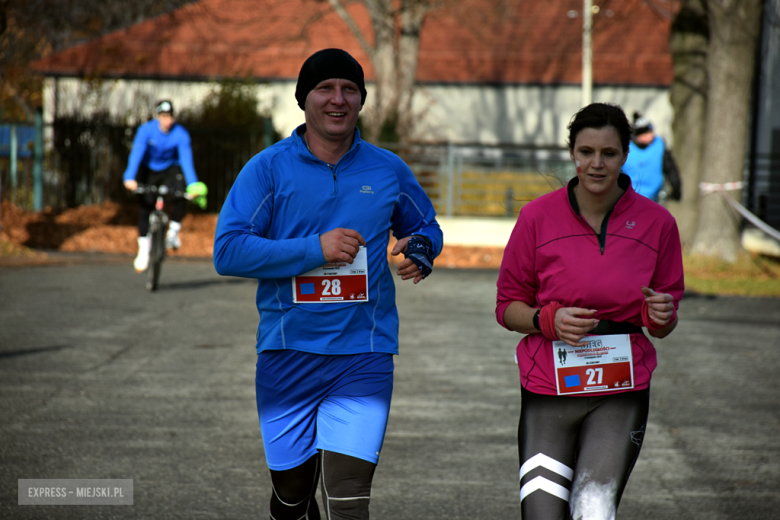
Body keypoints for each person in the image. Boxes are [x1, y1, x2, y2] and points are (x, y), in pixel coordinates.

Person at [212, 48, 443, 520]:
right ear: (304, 99)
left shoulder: (386, 169)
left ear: (360, 100)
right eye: (325, 88)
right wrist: (315, 248)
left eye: (349, 89)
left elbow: (426, 226)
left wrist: (421, 248)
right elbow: (228, 250)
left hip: (364, 354)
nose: (337, 99)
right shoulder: (268, 169)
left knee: (349, 500)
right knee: (293, 498)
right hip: (286, 353)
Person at [495, 103, 684, 520]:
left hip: (620, 388)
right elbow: (506, 307)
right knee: (542, 514)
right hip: (549, 386)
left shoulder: (658, 224)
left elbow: (663, 322)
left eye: (609, 153)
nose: (596, 164)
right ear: (572, 153)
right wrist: (547, 320)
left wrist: (662, 315)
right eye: (586, 152)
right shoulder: (536, 218)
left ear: (625, 154)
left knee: (593, 509)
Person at [123, 100, 207, 272]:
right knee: (145, 206)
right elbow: (137, 153)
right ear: (157, 117)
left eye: (170, 116)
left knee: (180, 193)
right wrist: (129, 177)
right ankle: (143, 250)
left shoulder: (181, 134)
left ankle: (173, 233)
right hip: (150, 168)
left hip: (170, 167)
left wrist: (192, 186)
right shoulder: (146, 130)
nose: (167, 120)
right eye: (163, 116)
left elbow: (186, 160)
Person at [621, 111, 682, 203]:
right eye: (647, 133)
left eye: (651, 131)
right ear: (638, 135)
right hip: (629, 198)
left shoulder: (659, 144)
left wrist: (676, 188)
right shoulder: (625, 148)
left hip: (655, 197)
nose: (652, 135)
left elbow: (670, 168)